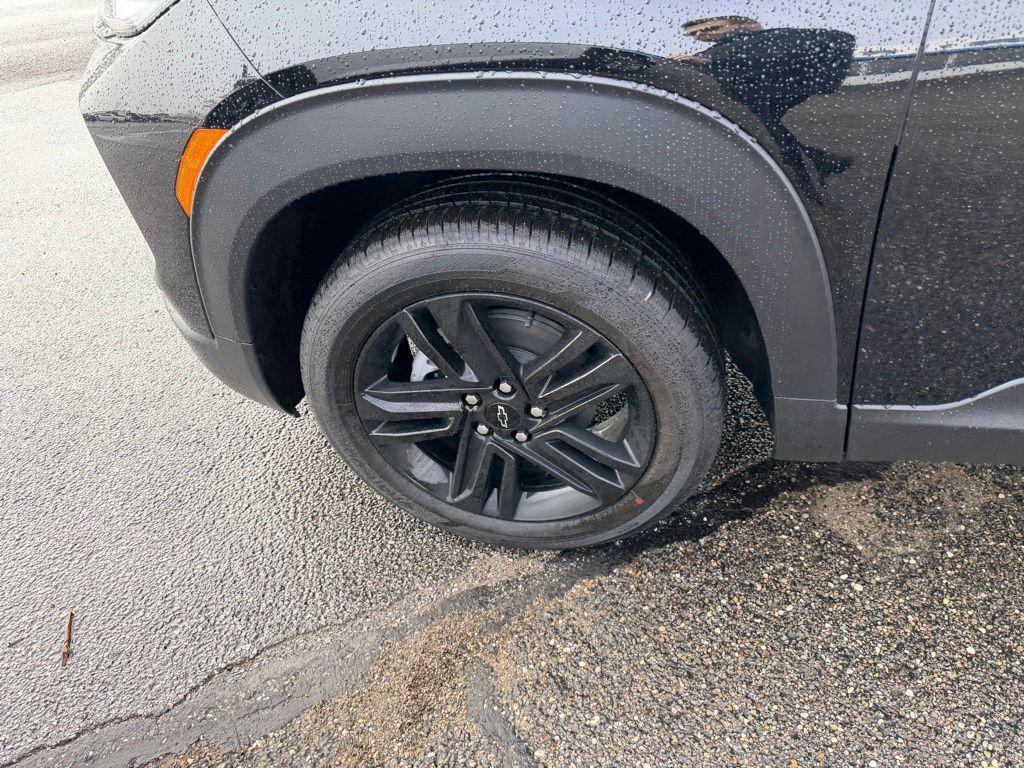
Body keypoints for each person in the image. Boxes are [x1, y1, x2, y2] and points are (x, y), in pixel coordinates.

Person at [679, 16, 856, 184]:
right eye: (693, 34)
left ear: (749, 24)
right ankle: (817, 161)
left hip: (768, 113)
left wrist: (710, 61)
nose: (702, 35)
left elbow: (840, 41)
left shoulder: (771, 41)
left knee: (772, 136)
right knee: (769, 132)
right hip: (757, 120)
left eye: (712, 28)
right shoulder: (719, 51)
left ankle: (815, 164)